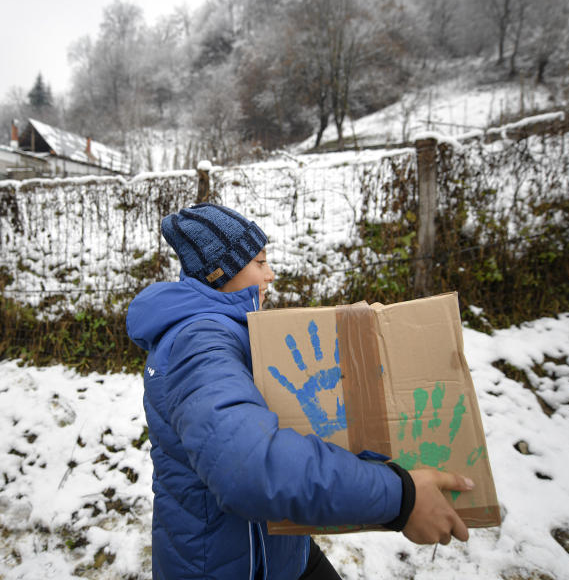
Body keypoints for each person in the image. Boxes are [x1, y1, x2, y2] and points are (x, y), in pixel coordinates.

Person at [126, 203, 473, 580]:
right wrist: (400, 497)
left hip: (275, 551)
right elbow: (247, 466)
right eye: (259, 263)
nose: (270, 274)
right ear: (220, 271)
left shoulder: (221, 329)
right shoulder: (200, 342)